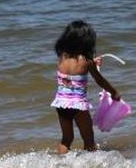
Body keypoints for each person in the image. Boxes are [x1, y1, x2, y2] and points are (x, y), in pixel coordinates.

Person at [51, 20, 121, 153]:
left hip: (61, 103)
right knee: (88, 139)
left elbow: (74, 67)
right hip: (78, 106)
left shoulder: (62, 56)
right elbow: (100, 80)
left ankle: (59, 164)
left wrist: (93, 62)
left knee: (66, 139)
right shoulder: (87, 61)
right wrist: (114, 92)